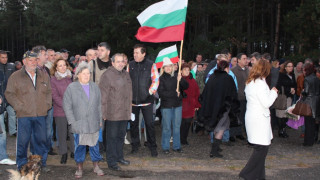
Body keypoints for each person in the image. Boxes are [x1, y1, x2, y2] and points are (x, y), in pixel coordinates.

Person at [5, 51, 52, 172]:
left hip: (41, 114)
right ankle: (21, 165)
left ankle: (39, 165)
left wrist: (47, 105)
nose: (33, 63)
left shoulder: (44, 75)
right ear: (24, 62)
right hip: (24, 115)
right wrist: (19, 106)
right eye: (30, 60)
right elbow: (9, 94)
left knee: (40, 141)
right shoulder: (15, 76)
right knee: (23, 142)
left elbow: (49, 93)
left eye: (35, 60)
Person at [63, 62, 104, 178]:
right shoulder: (72, 87)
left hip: (93, 122)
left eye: (88, 73)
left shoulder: (95, 87)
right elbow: (67, 106)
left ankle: (96, 166)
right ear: (78, 75)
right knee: (79, 146)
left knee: (94, 145)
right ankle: (79, 168)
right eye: (84, 73)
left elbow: (99, 105)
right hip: (79, 123)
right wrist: (72, 121)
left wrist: (100, 119)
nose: (87, 76)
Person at [239, 60, 278, 180]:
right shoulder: (260, 83)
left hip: (254, 117)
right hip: (259, 118)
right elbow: (266, 103)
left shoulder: (251, 81)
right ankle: (247, 173)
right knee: (261, 149)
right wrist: (273, 92)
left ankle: (259, 176)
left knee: (261, 149)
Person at [99, 53, 132, 171]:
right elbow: (103, 96)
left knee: (120, 137)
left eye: (122, 61)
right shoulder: (107, 75)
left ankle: (119, 157)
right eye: (118, 61)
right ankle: (111, 161)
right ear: (112, 63)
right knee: (111, 139)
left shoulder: (126, 74)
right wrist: (102, 114)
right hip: (112, 113)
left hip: (124, 112)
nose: (121, 63)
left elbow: (128, 94)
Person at [200, 61, 238, 158]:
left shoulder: (212, 77)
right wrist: (233, 106)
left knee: (215, 126)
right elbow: (233, 94)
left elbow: (205, 93)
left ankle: (216, 147)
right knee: (221, 128)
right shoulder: (228, 78)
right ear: (226, 68)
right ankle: (214, 150)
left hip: (212, 107)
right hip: (223, 108)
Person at [129, 44, 159, 157]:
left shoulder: (151, 64)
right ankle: (135, 146)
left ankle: (152, 147)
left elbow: (156, 81)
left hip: (147, 101)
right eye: (134, 52)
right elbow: (127, 80)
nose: (134, 55)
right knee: (133, 125)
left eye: (137, 53)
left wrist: (148, 93)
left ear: (143, 53)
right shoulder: (130, 65)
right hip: (133, 102)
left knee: (150, 124)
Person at [158, 58, 188, 154]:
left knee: (176, 127)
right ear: (163, 68)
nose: (168, 68)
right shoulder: (161, 78)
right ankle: (165, 147)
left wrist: (181, 79)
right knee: (166, 127)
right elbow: (161, 93)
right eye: (166, 66)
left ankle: (176, 146)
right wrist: (174, 94)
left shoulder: (177, 76)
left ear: (172, 67)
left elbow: (186, 86)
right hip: (166, 106)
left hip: (177, 105)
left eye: (170, 66)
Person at [50, 58, 74, 164]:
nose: (63, 67)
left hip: (73, 110)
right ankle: (63, 153)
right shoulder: (53, 80)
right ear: (56, 67)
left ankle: (74, 151)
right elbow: (54, 96)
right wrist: (66, 105)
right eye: (60, 65)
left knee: (73, 132)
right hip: (60, 111)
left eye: (64, 65)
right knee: (62, 133)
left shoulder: (71, 78)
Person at [181, 63, 200, 145]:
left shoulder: (193, 81)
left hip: (190, 105)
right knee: (181, 123)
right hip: (181, 105)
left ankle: (184, 139)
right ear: (181, 71)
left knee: (188, 122)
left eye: (188, 70)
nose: (187, 71)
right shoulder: (178, 79)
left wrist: (197, 104)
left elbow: (197, 93)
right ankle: (180, 139)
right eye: (185, 69)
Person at [275, 60, 296, 138]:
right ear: (285, 67)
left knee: (286, 114)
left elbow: (294, 84)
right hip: (283, 97)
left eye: (292, 66)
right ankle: (280, 130)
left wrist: (294, 90)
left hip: (290, 97)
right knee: (281, 114)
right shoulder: (281, 75)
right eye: (289, 66)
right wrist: (288, 89)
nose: (291, 68)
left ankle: (283, 129)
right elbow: (279, 85)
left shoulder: (292, 75)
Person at [301, 63, 320, 146]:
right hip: (316, 101)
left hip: (309, 102)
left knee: (308, 123)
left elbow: (306, 92)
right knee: (313, 122)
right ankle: (311, 140)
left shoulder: (307, 79)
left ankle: (307, 141)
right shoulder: (317, 78)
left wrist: (302, 92)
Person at [0, 50, 17, 137]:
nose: (5, 59)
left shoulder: (11, 66)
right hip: (1, 95)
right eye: (2, 57)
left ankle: (13, 131)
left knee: (12, 113)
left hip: (10, 94)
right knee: (1, 115)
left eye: (6, 57)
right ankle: (2, 131)